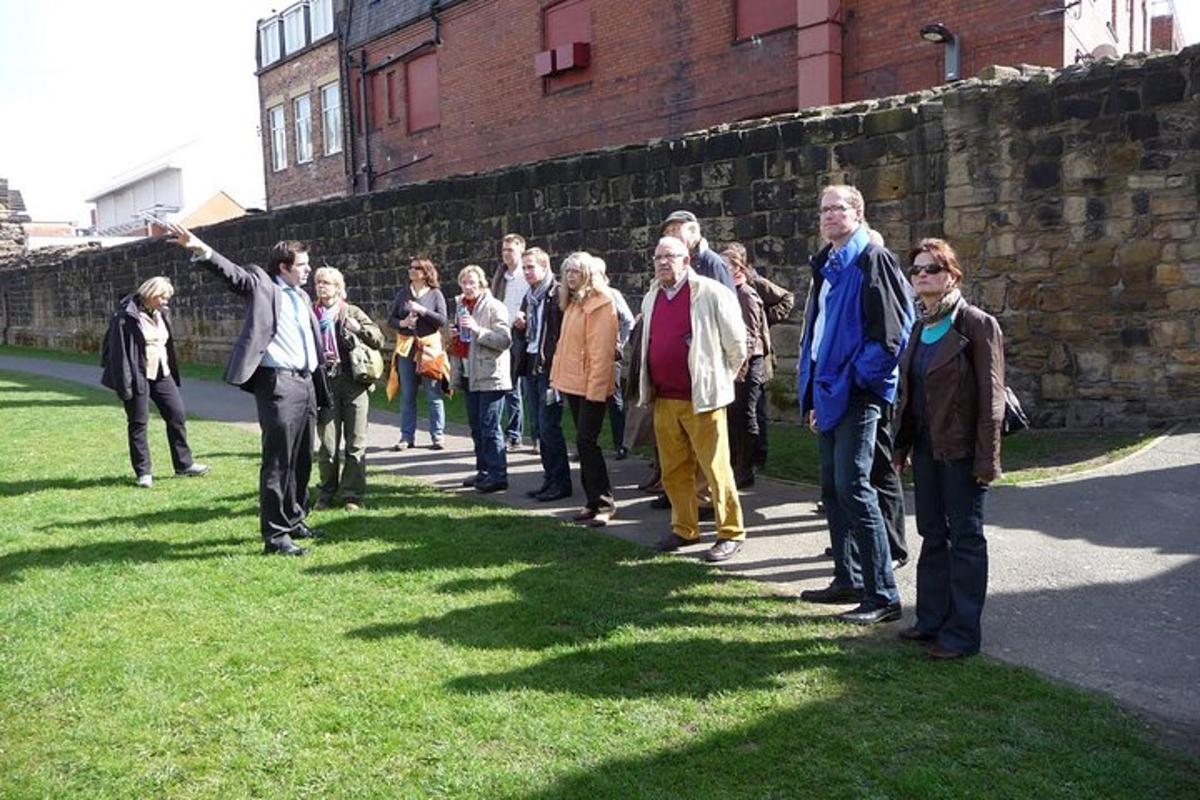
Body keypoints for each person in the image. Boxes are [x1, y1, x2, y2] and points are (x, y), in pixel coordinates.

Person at [165, 225, 326, 556]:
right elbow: (234, 275)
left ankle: (295, 519)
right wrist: (199, 248)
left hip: (307, 382)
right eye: (302, 265)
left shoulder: (303, 295)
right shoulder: (263, 284)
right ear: (283, 266)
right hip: (279, 383)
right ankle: (277, 536)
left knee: (301, 459)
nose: (308, 270)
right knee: (278, 461)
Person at [796, 184, 914, 623]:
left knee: (856, 488)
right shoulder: (828, 264)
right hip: (829, 394)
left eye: (837, 208)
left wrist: (851, 383)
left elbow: (889, 339)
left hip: (858, 396)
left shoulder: (872, 258)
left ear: (858, 213)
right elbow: (818, 335)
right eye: (823, 209)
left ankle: (883, 593)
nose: (828, 216)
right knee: (832, 489)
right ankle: (848, 578)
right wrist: (814, 394)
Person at [893, 238, 1005, 659]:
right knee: (932, 535)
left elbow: (991, 400)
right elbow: (911, 394)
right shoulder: (920, 325)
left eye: (932, 269)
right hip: (925, 448)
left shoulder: (976, 324)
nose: (922, 275)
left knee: (966, 539)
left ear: (952, 276)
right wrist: (901, 446)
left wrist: (986, 460)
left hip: (960, 452)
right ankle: (931, 619)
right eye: (917, 269)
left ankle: (962, 634)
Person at [637, 236, 747, 562]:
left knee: (716, 469)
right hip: (664, 398)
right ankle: (684, 528)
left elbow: (737, 344)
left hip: (703, 399)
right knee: (673, 469)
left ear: (686, 260)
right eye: (657, 257)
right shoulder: (651, 296)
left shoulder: (711, 293)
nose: (662, 262)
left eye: (670, 256)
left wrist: (720, 379)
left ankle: (731, 533)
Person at [100, 276, 209, 488]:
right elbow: (117, 353)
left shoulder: (161, 313)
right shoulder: (125, 317)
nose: (165, 301)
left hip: (162, 373)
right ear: (150, 294)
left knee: (177, 415)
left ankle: (183, 465)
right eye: (162, 297)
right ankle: (143, 472)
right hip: (138, 374)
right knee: (138, 423)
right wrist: (125, 382)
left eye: (167, 297)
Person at [550, 252, 619, 527]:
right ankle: (593, 501)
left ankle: (604, 502)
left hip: (591, 384)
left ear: (588, 274)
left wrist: (595, 390)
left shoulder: (601, 303)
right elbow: (566, 347)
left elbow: (601, 353)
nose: (570, 276)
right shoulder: (573, 303)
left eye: (576, 272)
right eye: (567, 272)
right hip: (574, 383)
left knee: (586, 442)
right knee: (583, 443)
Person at [312, 267, 384, 511]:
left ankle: (352, 495)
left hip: (353, 382)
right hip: (325, 382)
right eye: (319, 282)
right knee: (328, 445)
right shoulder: (311, 313)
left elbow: (378, 338)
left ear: (338, 287)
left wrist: (358, 329)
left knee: (355, 443)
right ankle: (326, 493)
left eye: (327, 283)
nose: (322, 287)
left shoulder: (351, 311)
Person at [722, 242, 795, 470]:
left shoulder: (754, 284)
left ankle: (755, 458)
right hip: (742, 353)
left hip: (756, 356)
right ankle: (745, 458)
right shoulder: (726, 285)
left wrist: (766, 317)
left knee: (754, 410)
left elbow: (787, 299)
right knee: (745, 410)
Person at [514, 247, 571, 501]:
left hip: (550, 369)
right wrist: (521, 327)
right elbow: (527, 334)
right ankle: (549, 480)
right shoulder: (530, 295)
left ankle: (561, 482)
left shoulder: (557, 293)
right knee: (539, 427)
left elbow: (563, 332)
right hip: (532, 365)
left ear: (545, 267)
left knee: (550, 427)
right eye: (524, 267)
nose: (526, 272)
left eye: (530, 267)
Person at [450, 264, 512, 493]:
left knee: (490, 426)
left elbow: (504, 341)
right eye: (464, 283)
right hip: (469, 373)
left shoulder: (495, 307)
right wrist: (455, 334)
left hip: (490, 375)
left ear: (482, 284)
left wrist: (477, 330)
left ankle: (498, 475)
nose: (467, 287)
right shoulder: (461, 306)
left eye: (472, 283)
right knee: (476, 426)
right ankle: (484, 471)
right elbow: (464, 342)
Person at [387, 256, 448, 450]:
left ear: (425, 272)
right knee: (407, 395)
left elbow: (442, 320)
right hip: (407, 348)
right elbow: (391, 319)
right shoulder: (403, 294)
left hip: (429, 348)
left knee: (433, 393)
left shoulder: (435, 294)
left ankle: (437, 435)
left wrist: (422, 310)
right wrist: (403, 323)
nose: (411, 271)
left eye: (416, 268)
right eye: (410, 268)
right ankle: (407, 436)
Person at [721, 248, 768, 489]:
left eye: (727, 266)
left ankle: (746, 468)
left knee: (746, 415)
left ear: (738, 268)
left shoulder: (746, 294)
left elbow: (750, 335)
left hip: (750, 363)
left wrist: (739, 370)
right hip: (735, 362)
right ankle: (735, 463)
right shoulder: (729, 293)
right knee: (733, 416)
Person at [591, 257, 634, 459]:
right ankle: (591, 443)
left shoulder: (612, 295)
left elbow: (628, 321)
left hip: (609, 355)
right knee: (591, 400)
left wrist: (620, 345)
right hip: (590, 356)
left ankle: (621, 444)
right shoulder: (585, 297)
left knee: (614, 400)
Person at [491, 233, 528, 451]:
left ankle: (526, 435)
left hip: (522, 333)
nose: (506, 254)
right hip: (503, 331)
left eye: (510, 250)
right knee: (508, 385)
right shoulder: (500, 275)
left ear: (521, 251)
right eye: (504, 250)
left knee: (521, 386)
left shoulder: (527, 275)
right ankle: (514, 434)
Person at [660, 210, 735, 291]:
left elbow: (728, 300)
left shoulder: (711, 262)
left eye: (675, 230)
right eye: (667, 232)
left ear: (692, 231)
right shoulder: (672, 265)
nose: (670, 236)